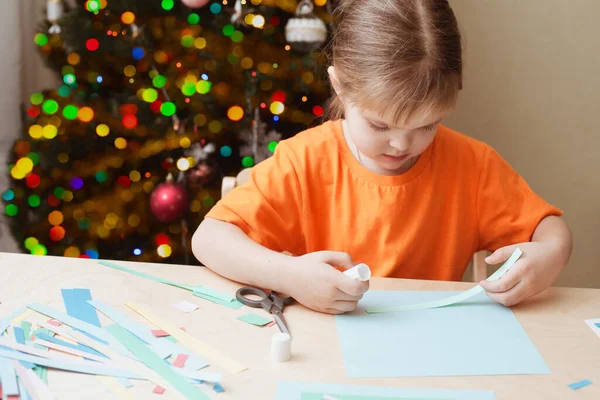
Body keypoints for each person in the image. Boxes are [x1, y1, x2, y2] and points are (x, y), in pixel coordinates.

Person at [192, 0, 572, 314]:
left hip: (434, 352)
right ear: (339, 85)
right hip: (325, 353)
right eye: (379, 126)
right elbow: (209, 239)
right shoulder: (304, 161)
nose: (401, 146)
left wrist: (551, 255)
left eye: (427, 126)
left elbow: (550, 229)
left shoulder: (473, 166)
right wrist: (288, 275)